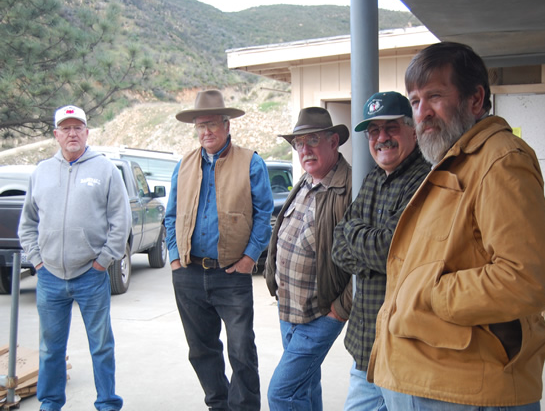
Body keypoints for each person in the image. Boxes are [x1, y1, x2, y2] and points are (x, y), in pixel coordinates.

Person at [368, 42, 545, 410]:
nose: (423, 112)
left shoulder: (501, 160)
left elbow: (526, 278)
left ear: (475, 99)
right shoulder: (456, 159)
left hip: (462, 389)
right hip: (431, 378)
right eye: (415, 101)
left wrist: (429, 295)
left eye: (435, 96)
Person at [165, 89, 273, 411]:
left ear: (227, 126)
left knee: (241, 350)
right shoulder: (184, 165)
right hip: (188, 274)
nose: (206, 132)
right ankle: (218, 405)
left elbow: (264, 215)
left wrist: (250, 257)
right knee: (201, 351)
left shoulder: (251, 162)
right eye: (200, 125)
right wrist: (174, 259)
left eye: (212, 124)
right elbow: (170, 215)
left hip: (231, 273)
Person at [18, 105, 131, 411]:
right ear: (56, 134)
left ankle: (107, 403)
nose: (72, 134)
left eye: (77, 128)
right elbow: (27, 224)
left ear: (87, 132)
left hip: (90, 276)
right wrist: (37, 261)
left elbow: (121, 221)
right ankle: (51, 403)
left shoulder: (105, 170)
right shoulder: (41, 172)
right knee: (50, 348)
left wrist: (103, 261)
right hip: (50, 277)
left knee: (101, 346)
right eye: (65, 128)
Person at [332, 91, 430, 411]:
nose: (381, 138)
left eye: (391, 127)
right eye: (373, 131)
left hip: (404, 349)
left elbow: (391, 250)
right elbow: (337, 247)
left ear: (413, 129)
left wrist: (355, 234)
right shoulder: (374, 178)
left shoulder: (426, 179)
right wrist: (375, 254)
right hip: (365, 346)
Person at [264, 107, 353, 410]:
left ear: (334, 142)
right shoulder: (305, 181)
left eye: (313, 140)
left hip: (320, 314)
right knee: (305, 387)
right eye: (299, 143)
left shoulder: (350, 189)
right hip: (288, 309)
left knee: (282, 393)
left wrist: (340, 310)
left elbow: (367, 264)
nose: (305, 149)